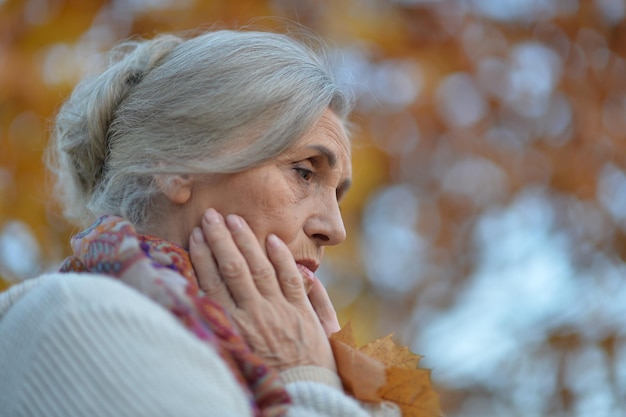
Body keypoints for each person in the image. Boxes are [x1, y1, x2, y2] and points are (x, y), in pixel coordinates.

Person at [0, 27, 403, 417]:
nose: (334, 229)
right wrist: (313, 379)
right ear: (175, 164)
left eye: (338, 194)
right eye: (304, 172)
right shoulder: (79, 321)